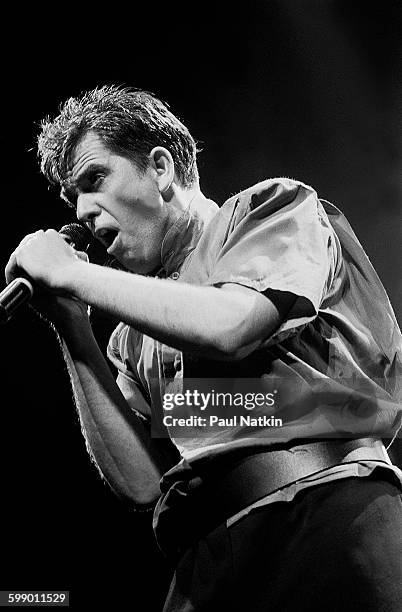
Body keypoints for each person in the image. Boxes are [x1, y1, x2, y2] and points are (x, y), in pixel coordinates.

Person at [5, 85, 402, 611]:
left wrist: (73, 273)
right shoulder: (131, 335)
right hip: (208, 560)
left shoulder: (271, 209)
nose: (82, 211)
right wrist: (71, 325)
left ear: (162, 168)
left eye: (94, 179)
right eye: (72, 198)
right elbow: (141, 484)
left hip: (325, 518)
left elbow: (231, 327)